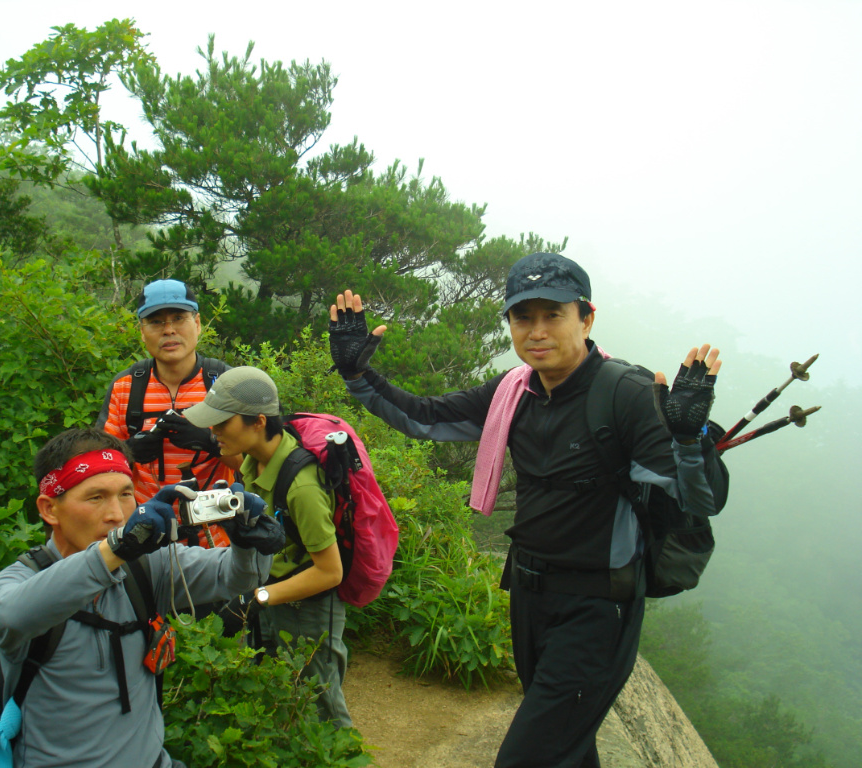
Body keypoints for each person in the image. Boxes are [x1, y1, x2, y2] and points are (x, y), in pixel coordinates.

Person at [326, 252, 724, 768]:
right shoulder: (513, 392)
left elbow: (702, 500)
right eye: (522, 317)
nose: (536, 331)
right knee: (569, 752)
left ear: (586, 317)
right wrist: (359, 375)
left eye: (552, 315)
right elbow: (424, 418)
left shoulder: (626, 394)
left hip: (598, 609)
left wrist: (689, 438)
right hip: (531, 597)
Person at [0, 428, 278, 768]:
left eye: (125, 494)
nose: (117, 514)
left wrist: (250, 541)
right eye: (95, 498)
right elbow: (10, 617)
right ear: (50, 509)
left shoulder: (143, 568)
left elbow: (236, 576)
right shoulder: (19, 581)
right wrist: (115, 549)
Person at [183, 366, 354, 728]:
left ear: (258, 422)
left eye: (221, 423)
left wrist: (255, 598)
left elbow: (331, 571)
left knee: (321, 709)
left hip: (310, 606)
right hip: (275, 595)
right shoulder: (253, 460)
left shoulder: (301, 487)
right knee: (280, 698)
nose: (212, 432)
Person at [96, 279, 240, 548]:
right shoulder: (125, 387)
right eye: (156, 322)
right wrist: (128, 453)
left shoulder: (225, 383)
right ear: (142, 331)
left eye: (178, 318)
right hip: (145, 539)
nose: (169, 330)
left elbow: (258, 464)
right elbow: (99, 470)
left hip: (217, 541)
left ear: (197, 324)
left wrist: (212, 444)